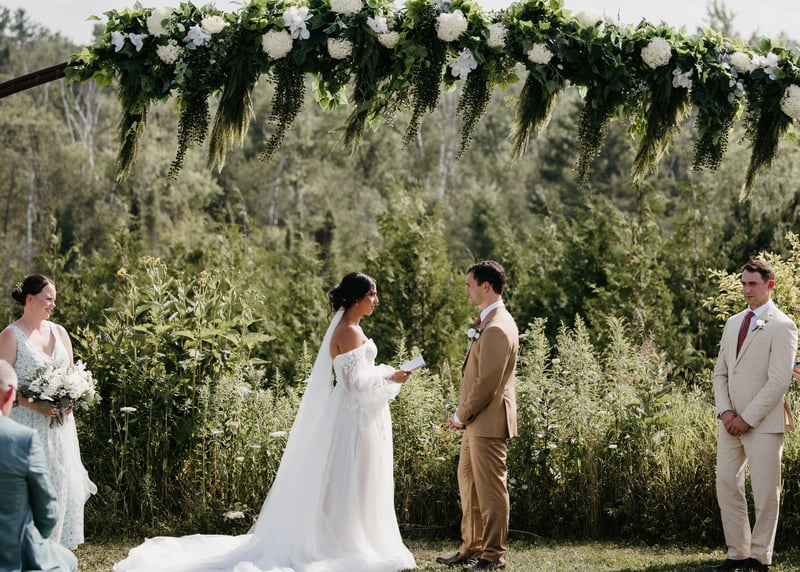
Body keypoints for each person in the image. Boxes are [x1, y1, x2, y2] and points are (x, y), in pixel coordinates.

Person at [114, 271, 417, 572]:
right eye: (372, 295)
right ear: (356, 298)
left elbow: (358, 377)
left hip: (357, 414)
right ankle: (347, 543)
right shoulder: (348, 331)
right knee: (351, 479)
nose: (376, 300)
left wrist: (387, 374)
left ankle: (354, 538)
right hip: (352, 417)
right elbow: (354, 385)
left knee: (356, 479)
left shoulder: (350, 328)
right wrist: (391, 376)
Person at [711, 259, 798, 572]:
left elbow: (779, 381)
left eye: (753, 284)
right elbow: (720, 373)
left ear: (769, 285)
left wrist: (746, 418)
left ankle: (759, 558)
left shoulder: (783, 325)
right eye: (743, 283)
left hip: (763, 424)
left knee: (765, 493)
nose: (746, 289)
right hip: (729, 423)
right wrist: (725, 412)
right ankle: (737, 553)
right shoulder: (733, 322)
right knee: (726, 484)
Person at [0, 274, 96, 550]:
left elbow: (71, 373)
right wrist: (33, 403)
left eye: (55, 299)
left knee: (61, 484)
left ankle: (54, 552)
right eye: (49, 299)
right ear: (30, 299)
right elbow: (1, 386)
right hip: (26, 425)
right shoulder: (10, 336)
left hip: (60, 428)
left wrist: (73, 395)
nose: (53, 304)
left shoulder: (60, 333)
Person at [437, 260, 518, 571]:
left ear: (486, 286)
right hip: (476, 421)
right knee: (469, 486)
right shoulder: (488, 321)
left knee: (491, 490)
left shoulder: (498, 327)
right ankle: (472, 547)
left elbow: (487, 383)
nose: (466, 291)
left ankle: (493, 555)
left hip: (488, 420)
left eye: (469, 285)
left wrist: (461, 414)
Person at [0, 358, 78, 572]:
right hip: (11, 557)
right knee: (69, 561)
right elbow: (47, 512)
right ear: (9, 393)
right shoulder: (22, 440)